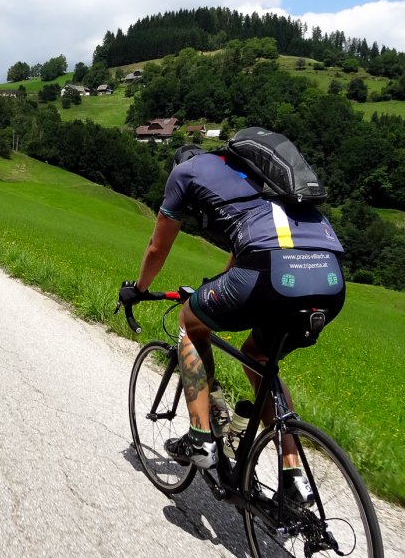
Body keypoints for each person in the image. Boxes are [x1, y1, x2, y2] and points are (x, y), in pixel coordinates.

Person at [118, 134, 346, 505]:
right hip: (331, 279)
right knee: (258, 357)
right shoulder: (256, 179)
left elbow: (158, 246)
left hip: (269, 271)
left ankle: (200, 437)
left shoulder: (184, 173)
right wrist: (217, 285)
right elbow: (245, 250)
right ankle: (293, 474)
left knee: (191, 324)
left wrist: (139, 288)